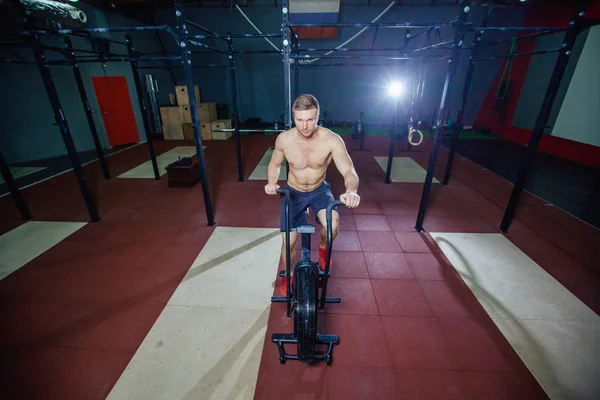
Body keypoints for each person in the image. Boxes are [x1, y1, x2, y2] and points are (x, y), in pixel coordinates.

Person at [264, 94, 361, 296]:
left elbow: (348, 170)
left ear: (317, 116)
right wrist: (272, 182)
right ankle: (289, 275)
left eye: (310, 119)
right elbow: (274, 164)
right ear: (293, 117)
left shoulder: (332, 140)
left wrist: (351, 190)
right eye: (299, 120)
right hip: (293, 192)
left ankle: (324, 249)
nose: (305, 126)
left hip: (319, 190)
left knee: (332, 224)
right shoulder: (284, 139)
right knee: (288, 242)